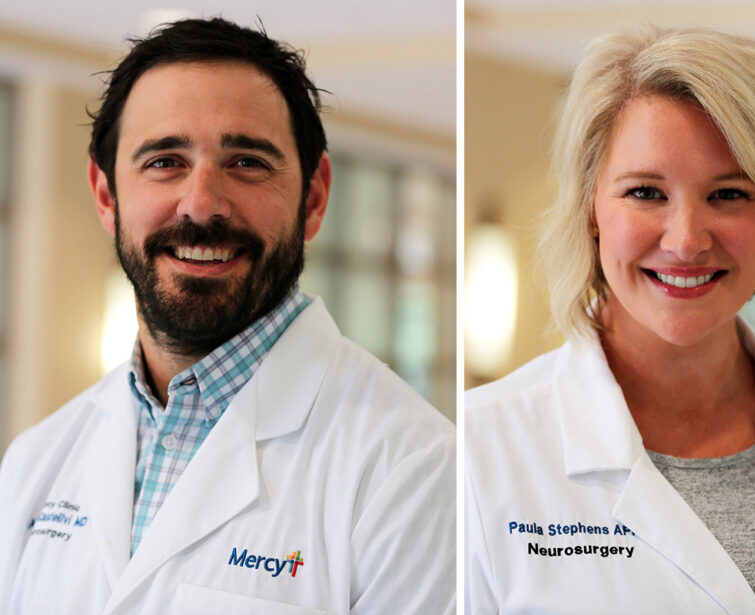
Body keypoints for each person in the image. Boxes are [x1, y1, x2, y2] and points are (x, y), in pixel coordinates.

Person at [0, 18, 454, 614]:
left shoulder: (414, 470)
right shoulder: (36, 461)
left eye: (246, 163)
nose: (202, 204)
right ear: (107, 195)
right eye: (164, 161)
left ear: (314, 199)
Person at [465, 26, 755, 615]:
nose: (685, 242)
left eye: (729, 195)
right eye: (646, 193)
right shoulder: (483, 452)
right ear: (591, 210)